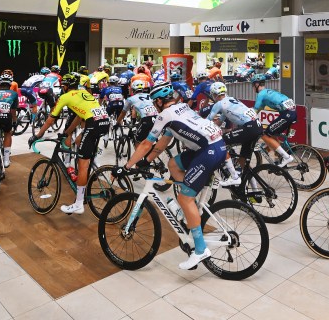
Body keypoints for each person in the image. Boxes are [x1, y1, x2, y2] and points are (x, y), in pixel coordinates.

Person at [119, 82, 227, 269]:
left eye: (154, 102)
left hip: (209, 151)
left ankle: (200, 250)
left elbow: (146, 143)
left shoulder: (165, 115)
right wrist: (147, 161)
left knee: (185, 199)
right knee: (173, 163)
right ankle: (188, 209)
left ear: (160, 101)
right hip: (215, 146)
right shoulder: (181, 107)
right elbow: (162, 143)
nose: (153, 105)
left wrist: (128, 166)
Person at [30, 73, 110, 214]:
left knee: (82, 164)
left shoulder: (65, 96)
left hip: (93, 124)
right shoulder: (84, 92)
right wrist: (67, 132)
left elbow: (50, 120)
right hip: (104, 122)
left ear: (65, 86)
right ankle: (92, 163)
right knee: (78, 141)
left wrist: (38, 134)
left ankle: (79, 203)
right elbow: (80, 116)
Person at [207, 82, 262, 187]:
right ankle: (254, 189)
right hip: (257, 126)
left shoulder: (219, 104)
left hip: (249, 128)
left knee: (220, 143)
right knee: (243, 160)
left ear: (214, 94)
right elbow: (218, 122)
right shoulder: (231, 99)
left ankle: (234, 177)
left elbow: (208, 121)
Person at [253, 74, 297, 167]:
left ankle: (286, 157)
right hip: (290, 112)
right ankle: (278, 157)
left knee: (266, 134)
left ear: (257, 84)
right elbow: (259, 110)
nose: (252, 87)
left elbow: (254, 110)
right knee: (272, 133)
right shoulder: (268, 92)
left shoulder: (261, 94)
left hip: (287, 114)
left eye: (253, 85)